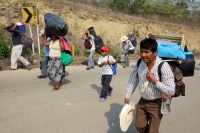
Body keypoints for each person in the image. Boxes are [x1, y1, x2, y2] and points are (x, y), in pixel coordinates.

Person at [124, 38, 175, 133]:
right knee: (139, 126)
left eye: (146, 52)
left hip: (158, 103)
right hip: (143, 101)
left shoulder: (163, 66)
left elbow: (171, 91)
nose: (143, 55)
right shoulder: (139, 62)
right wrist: (128, 94)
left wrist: (154, 81)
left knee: (153, 131)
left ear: (155, 52)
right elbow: (134, 78)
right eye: (141, 52)